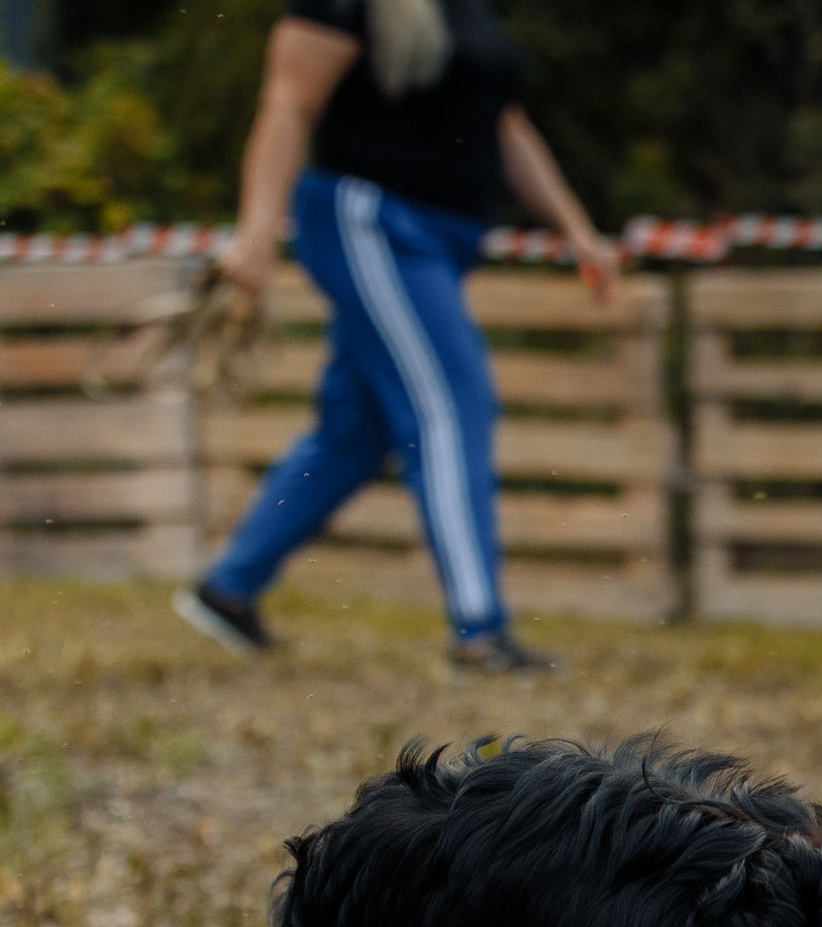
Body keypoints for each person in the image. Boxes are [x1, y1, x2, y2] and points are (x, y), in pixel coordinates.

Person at [172, 0, 616, 673]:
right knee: (450, 402)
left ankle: (229, 587)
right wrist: (256, 235)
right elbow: (288, 103)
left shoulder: (464, 10)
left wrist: (577, 231)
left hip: (443, 237)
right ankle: (479, 626)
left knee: (355, 431)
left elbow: (504, 125)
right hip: (371, 220)